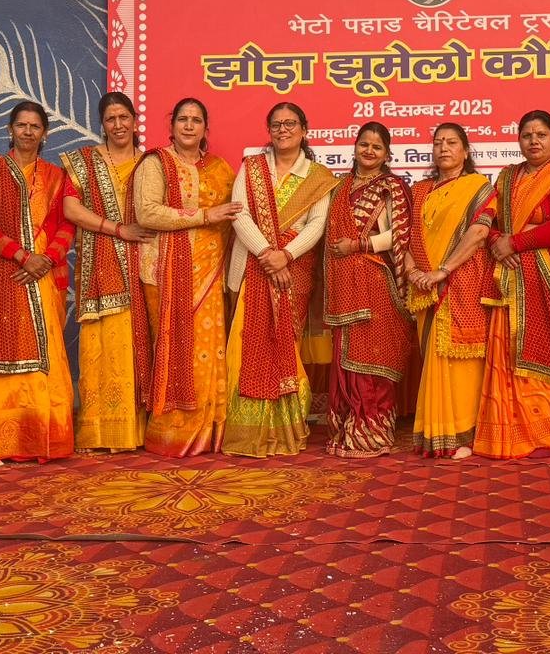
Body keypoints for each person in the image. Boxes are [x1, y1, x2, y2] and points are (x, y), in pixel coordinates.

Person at [223, 102, 338, 457]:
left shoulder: (318, 176)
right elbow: (239, 215)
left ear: (304, 130)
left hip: (294, 272)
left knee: (286, 345)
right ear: (269, 130)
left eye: (290, 124)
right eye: (276, 124)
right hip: (252, 267)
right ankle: (245, 431)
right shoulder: (251, 168)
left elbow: (317, 225)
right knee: (245, 346)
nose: (283, 130)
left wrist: (285, 255)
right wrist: (266, 253)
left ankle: (285, 428)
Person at [476, 110, 550, 458]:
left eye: (541, 135)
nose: (534, 141)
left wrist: (516, 242)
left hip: (549, 280)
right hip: (510, 281)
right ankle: (507, 433)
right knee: (506, 352)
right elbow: (489, 218)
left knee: (547, 350)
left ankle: (548, 434)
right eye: (527, 135)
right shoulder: (507, 177)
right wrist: (496, 241)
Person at [0, 101, 76, 467]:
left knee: (49, 357)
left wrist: (46, 258)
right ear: (10, 129)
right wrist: (21, 256)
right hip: (6, 273)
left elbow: (66, 223)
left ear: (45, 133)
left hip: (45, 274)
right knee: (2, 352)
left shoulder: (56, 175)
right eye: (21, 125)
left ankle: (42, 440)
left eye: (35, 126)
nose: (28, 131)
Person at [131, 97, 239, 456]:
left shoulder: (220, 169)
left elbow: (235, 217)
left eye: (196, 120)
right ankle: (172, 431)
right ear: (172, 125)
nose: (189, 126)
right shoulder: (155, 163)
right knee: (174, 348)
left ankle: (209, 428)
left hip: (210, 272)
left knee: (209, 349)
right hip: (164, 273)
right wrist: (205, 216)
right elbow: (147, 213)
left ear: (206, 128)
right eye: (182, 119)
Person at [61, 92, 157, 453]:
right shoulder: (84, 161)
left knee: (139, 341)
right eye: (110, 119)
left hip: (144, 263)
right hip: (100, 266)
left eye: (123, 117)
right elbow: (71, 209)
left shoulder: (151, 162)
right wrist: (117, 229)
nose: (118, 125)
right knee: (101, 343)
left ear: (135, 120)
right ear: (102, 124)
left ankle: (135, 430)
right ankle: (100, 430)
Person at [323, 122, 415, 456]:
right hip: (343, 284)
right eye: (364, 144)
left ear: (387, 154)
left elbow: (400, 234)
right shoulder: (340, 187)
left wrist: (360, 245)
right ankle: (347, 427)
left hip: (376, 281)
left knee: (372, 357)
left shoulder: (392, 187)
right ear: (355, 147)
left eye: (377, 147)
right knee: (345, 356)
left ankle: (371, 431)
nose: (369, 151)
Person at [407, 123, 494, 459]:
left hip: (462, 281)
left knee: (462, 361)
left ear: (466, 150)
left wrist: (443, 270)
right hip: (423, 286)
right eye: (438, 142)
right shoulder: (420, 190)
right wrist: (414, 272)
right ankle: (436, 432)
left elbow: (478, 234)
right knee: (433, 357)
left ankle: (464, 434)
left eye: (452, 142)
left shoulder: (479, 187)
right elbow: (407, 236)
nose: (444, 148)